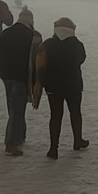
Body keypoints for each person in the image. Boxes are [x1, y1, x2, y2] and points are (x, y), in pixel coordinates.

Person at [33, 16, 88, 159]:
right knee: (75, 112)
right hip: (73, 85)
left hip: (52, 86)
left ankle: (53, 149)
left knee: (55, 116)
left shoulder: (48, 44)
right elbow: (81, 59)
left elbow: (39, 62)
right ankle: (78, 140)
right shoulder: (77, 44)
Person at [0, 6, 42, 156]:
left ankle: (20, 135)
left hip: (6, 75)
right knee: (17, 109)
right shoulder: (34, 36)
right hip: (21, 77)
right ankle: (11, 142)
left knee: (13, 106)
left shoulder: (6, 33)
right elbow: (37, 60)